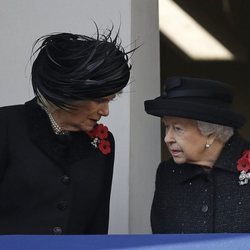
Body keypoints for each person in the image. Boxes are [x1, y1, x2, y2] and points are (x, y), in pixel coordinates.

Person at [0, 26, 133, 234]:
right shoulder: (7, 125)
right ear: (69, 91)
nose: (106, 111)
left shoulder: (103, 143)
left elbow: (97, 225)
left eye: (110, 100)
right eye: (99, 99)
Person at [144, 76, 250, 233]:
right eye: (167, 127)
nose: (167, 138)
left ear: (211, 133)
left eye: (178, 129)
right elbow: (161, 240)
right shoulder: (167, 173)